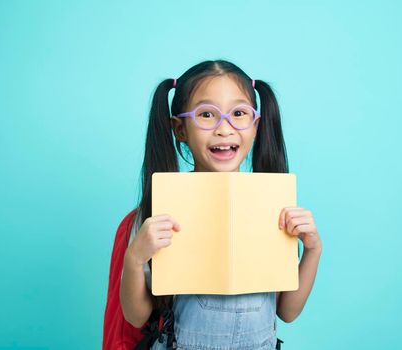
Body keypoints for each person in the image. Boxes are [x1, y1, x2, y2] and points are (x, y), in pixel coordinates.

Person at [119, 59, 322, 349]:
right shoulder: (160, 209)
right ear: (179, 129)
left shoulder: (272, 202)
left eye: (239, 113)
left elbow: (287, 312)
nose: (224, 129)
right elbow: (137, 317)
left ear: (256, 126)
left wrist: (313, 249)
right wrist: (135, 258)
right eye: (206, 114)